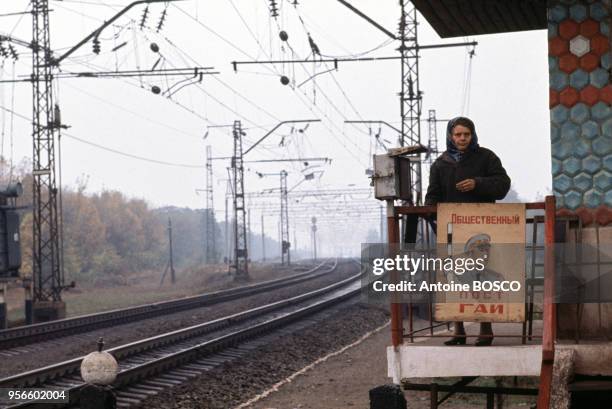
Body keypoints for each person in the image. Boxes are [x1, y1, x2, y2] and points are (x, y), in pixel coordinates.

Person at [425, 116, 511, 346]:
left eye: (466, 134)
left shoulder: (486, 157)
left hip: (481, 228)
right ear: (450, 136)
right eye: (458, 134)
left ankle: (486, 329)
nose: (462, 138)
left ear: (473, 135)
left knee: (481, 278)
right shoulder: (440, 164)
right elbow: (432, 196)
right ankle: (459, 331)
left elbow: (503, 185)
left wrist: (478, 184)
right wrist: (434, 214)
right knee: (453, 279)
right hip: (453, 229)